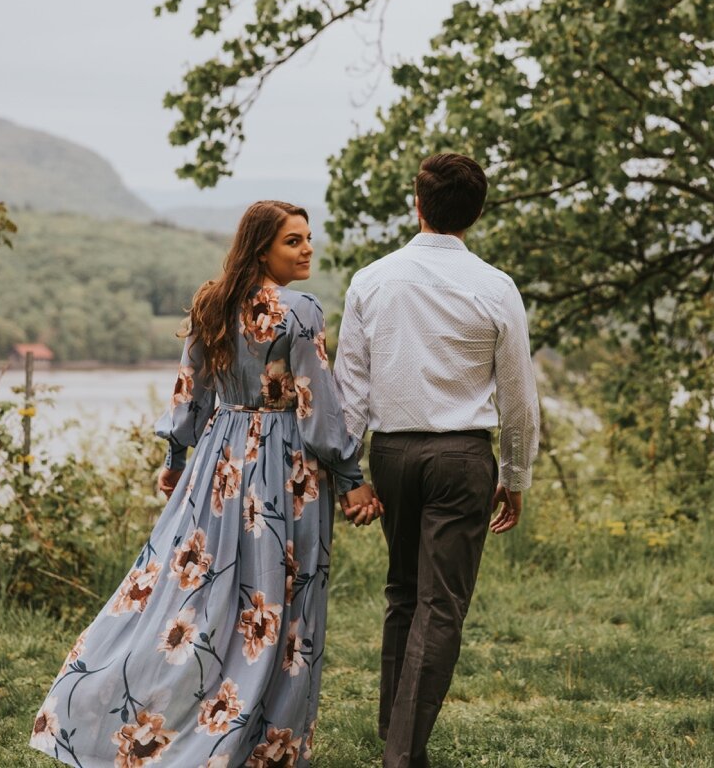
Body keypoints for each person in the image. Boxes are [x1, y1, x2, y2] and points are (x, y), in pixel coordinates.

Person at [29, 200, 381, 768]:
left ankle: (117, 702)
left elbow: (188, 391)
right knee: (282, 602)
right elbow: (319, 409)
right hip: (285, 468)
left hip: (217, 463)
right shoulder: (301, 313)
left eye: (308, 238)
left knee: (195, 591)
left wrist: (175, 455)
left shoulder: (211, 302)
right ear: (262, 247)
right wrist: (351, 478)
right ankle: (268, 747)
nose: (307, 248)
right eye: (293, 241)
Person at [335, 152, 540, 768]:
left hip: (393, 453)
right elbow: (518, 395)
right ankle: (403, 752)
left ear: (416, 204)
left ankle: (394, 731)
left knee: (404, 591)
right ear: (475, 214)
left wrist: (353, 476)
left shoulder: (371, 280)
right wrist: (516, 474)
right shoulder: (495, 287)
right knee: (441, 602)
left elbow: (351, 390)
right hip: (461, 457)